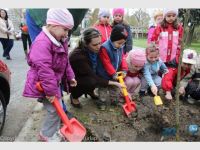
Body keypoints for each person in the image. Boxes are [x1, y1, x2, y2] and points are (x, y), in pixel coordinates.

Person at [23, 9, 77, 142]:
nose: (66, 34)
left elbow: (65, 61)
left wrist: (70, 76)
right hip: (43, 84)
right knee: (54, 111)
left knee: (55, 110)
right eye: (65, 29)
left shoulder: (60, 39)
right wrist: (51, 92)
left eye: (68, 30)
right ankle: (46, 135)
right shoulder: (42, 43)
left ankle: (51, 130)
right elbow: (45, 70)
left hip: (52, 83)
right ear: (53, 25)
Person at [69, 28, 123, 109]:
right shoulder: (78, 56)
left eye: (100, 43)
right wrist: (115, 83)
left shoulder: (94, 51)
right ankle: (74, 96)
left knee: (98, 75)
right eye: (95, 45)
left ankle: (90, 91)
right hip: (75, 80)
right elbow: (94, 77)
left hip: (87, 74)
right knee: (91, 82)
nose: (99, 47)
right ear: (85, 44)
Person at [96, 24, 128, 109]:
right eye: (119, 43)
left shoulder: (120, 47)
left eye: (123, 43)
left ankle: (114, 101)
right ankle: (101, 102)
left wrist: (124, 69)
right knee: (103, 89)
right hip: (104, 74)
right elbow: (106, 63)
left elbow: (123, 58)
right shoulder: (104, 48)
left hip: (115, 73)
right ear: (113, 39)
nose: (121, 45)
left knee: (114, 88)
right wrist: (113, 73)